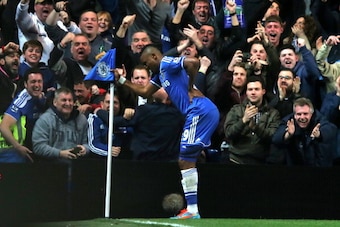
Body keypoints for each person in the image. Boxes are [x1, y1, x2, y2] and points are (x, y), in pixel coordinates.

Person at [115, 44, 219, 219]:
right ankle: (192, 209)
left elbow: (193, 62)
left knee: (184, 159)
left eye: (146, 63)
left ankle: (193, 210)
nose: (146, 67)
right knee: (186, 160)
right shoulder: (160, 75)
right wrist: (122, 80)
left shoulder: (166, 63)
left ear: (155, 57)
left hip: (199, 110)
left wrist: (190, 87)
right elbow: (145, 91)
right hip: (198, 112)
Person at [224, 76, 280, 165]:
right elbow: (229, 133)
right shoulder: (236, 110)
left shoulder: (273, 113)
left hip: (261, 162)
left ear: (263, 91)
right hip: (236, 160)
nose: (253, 92)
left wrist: (255, 128)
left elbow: (272, 137)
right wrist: (243, 120)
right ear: (246, 92)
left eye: (256, 89)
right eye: (250, 89)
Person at [272, 97, 336, 167]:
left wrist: (319, 134)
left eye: (305, 114)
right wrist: (288, 134)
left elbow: (332, 129)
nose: (302, 117)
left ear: (311, 114)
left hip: (317, 166)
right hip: (295, 166)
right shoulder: (289, 121)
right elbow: (275, 138)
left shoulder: (319, 119)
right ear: (295, 115)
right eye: (299, 114)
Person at [0, 67, 46, 163]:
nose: (37, 85)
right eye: (33, 82)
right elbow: (4, 127)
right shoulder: (22, 100)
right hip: (23, 147)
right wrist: (18, 147)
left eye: (39, 81)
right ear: (26, 84)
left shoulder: (44, 97)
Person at [32, 87, 89, 161]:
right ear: (55, 102)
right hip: (51, 167)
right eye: (64, 100)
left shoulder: (82, 119)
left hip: (76, 166)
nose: (68, 103)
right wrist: (60, 153)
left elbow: (88, 143)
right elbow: (38, 147)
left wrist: (85, 149)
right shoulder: (45, 120)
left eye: (70, 100)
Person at [87, 92, 122, 158]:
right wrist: (108, 150)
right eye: (108, 102)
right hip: (98, 162)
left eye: (115, 102)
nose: (111, 105)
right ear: (102, 104)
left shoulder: (123, 121)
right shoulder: (94, 119)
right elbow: (93, 144)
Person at [0, 42, 22, 115]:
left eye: (18, 57)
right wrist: (3, 50)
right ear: (2, 61)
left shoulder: (21, 81)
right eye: (12, 56)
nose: (16, 58)